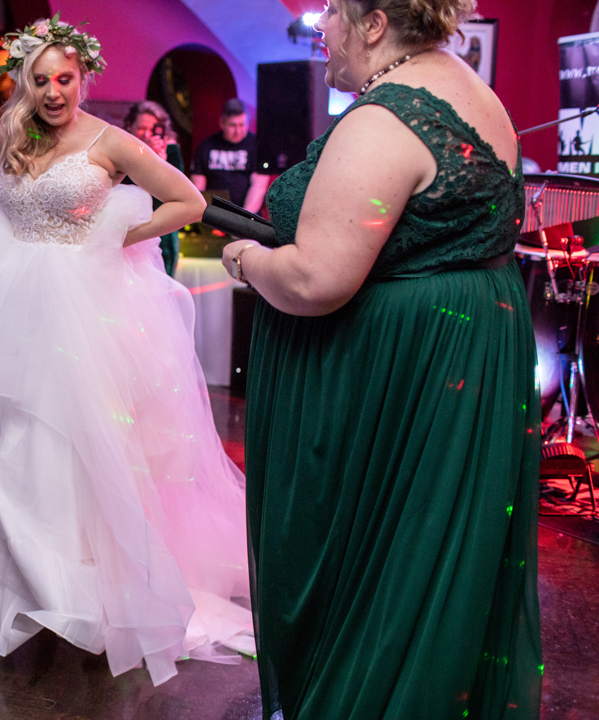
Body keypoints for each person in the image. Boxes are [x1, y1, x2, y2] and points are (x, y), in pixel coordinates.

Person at [0, 15, 254, 687]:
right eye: (40, 80)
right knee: (9, 442)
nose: (52, 92)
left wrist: (119, 237)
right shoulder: (11, 133)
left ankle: (82, 591)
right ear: (24, 82)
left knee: (76, 441)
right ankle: (30, 587)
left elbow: (187, 201)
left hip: (83, 317)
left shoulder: (110, 140)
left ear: (83, 78)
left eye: (64, 79)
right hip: (11, 314)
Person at [221, 0, 541, 717]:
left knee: (381, 570)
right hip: (457, 360)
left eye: (332, 10)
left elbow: (315, 279)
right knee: (423, 561)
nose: (320, 26)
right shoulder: (468, 88)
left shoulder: (386, 118)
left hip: (402, 381)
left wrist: (243, 259)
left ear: (372, 24)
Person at [123, 100, 184, 276]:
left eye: (152, 129)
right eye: (141, 128)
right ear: (130, 126)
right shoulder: (122, 148)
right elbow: (122, 185)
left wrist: (159, 163)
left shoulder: (171, 150)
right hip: (129, 225)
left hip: (161, 226)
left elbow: (176, 191)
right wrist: (144, 154)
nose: (147, 134)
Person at [190, 98, 269, 213]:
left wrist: (243, 217)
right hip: (214, 214)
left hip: (247, 216)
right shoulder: (206, 145)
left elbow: (258, 187)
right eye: (232, 125)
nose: (238, 131)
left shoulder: (257, 145)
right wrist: (204, 214)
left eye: (242, 125)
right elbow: (198, 189)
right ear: (222, 123)